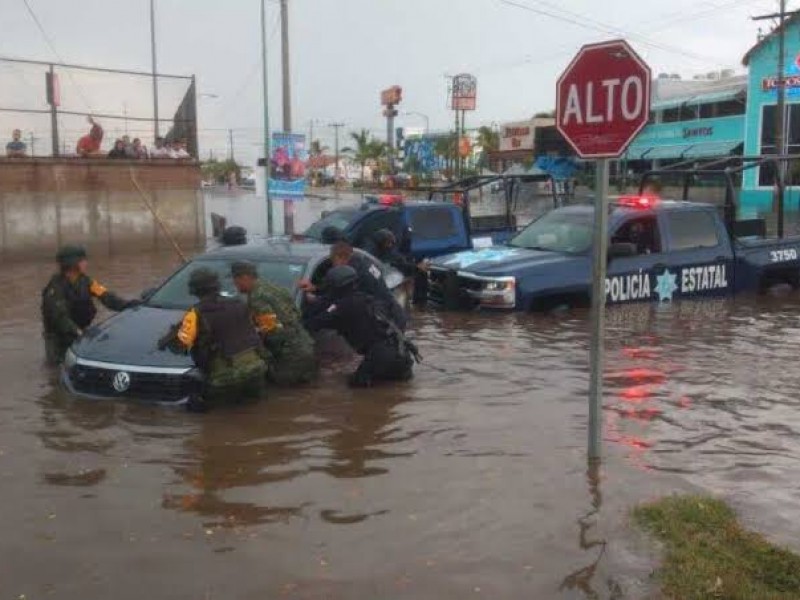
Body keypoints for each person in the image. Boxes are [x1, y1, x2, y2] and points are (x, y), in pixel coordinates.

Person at [158, 268, 267, 411]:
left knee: (197, 411)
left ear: (194, 290)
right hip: (256, 369)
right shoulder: (239, 303)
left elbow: (181, 346)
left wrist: (167, 340)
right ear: (217, 285)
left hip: (226, 377)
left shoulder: (196, 313)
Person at [305, 265, 418, 387]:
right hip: (402, 353)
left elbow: (313, 324)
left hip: (380, 355)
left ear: (335, 287)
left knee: (356, 390)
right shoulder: (367, 299)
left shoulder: (341, 308)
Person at [41, 245, 138, 365]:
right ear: (72, 263)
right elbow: (60, 318)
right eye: (82, 261)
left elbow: (107, 297)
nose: (86, 263)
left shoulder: (86, 281)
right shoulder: (55, 288)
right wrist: (78, 333)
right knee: (58, 370)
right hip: (59, 339)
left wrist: (130, 304)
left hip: (78, 332)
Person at [231, 261, 317, 385]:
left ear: (245, 277)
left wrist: (259, 347)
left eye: (236, 281)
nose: (235, 285)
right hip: (307, 347)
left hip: (290, 358)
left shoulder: (257, 297)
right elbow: (296, 314)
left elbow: (272, 331)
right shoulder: (276, 288)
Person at [301, 240, 408, 330]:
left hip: (386, 320)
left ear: (340, 257)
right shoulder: (361, 262)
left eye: (333, 261)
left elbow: (336, 297)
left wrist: (315, 300)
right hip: (391, 315)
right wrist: (315, 288)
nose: (333, 266)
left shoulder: (354, 273)